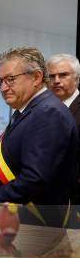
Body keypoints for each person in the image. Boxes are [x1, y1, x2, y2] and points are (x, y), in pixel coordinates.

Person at [0, 47, 77, 226]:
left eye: (11, 79)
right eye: (1, 81)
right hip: (16, 219)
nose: (4, 88)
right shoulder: (30, 110)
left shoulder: (48, 112)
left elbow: (34, 177)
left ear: (36, 77)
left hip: (36, 222)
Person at [47, 53, 80, 204]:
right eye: (51, 76)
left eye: (63, 75)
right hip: (44, 199)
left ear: (77, 78)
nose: (56, 81)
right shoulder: (42, 111)